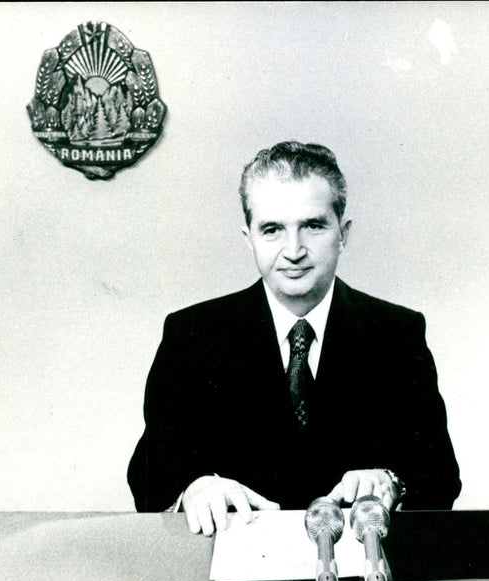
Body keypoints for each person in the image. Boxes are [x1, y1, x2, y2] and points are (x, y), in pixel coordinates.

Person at [127, 141, 461, 536]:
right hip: (235, 566)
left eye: (313, 225)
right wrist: (194, 488)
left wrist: (391, 480)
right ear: (248, 238)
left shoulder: (397, 333)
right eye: (272, 230)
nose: (294, 250)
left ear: (343, 234)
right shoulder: (193, 334)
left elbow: (439, 473)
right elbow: (149, 472)